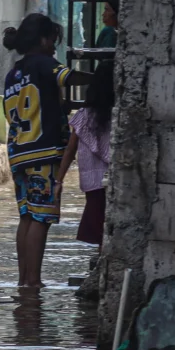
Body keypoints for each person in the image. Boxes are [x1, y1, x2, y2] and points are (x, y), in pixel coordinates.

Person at [2, 13, 91, 288]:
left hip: (18, 151)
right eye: (52, 41)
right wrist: (102, 78)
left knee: (27, 216)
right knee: (41, 217)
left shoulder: (13, 73)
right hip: (44, 150)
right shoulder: (45, 64)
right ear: (42, 40)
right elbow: (69, 77)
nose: (54, 48)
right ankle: (34, 281)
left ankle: (23, 280)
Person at [57, 61, 114, 247]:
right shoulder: (119, 116)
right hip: (113, 181)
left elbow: (70, 150)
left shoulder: (84, 116)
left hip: (92, 183)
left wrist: (59, 181)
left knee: (98, 231)